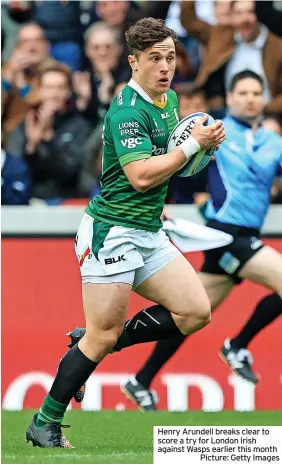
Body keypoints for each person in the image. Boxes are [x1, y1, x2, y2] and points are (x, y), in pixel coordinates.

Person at [25, 17, 225, 446]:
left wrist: (202, 152)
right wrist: (192, 146)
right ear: (133, 62)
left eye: (170, 57)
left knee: (194, 312)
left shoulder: (169, 99)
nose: (165, 67)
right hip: (112, 232)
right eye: (154, 59)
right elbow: (139, 176)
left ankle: (89, 344)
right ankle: (45, 421)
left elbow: (175, 160)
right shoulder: (128, 109)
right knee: (104, 333)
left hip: (149, 231)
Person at [67, 70, 282, 411]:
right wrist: (168, 202)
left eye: (257, 92)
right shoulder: (213, 128)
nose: (250, 98)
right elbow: (178, 162)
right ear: (229, 98)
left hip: (247, 235)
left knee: (190, 316)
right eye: (243, 92)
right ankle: (238, 345)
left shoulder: (274, 141)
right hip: (223, 234)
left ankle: (137, 376)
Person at [7, 64, 92, 202]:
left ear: (68, 92)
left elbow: (74, 171)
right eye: (49, 87)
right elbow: (14, 168)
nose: (54, 93)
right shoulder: (25, 125)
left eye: (60, 87)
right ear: (39, 90)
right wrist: (32, 146)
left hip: (66, 201)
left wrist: (49, 139)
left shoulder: (80, 126)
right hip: (29, 201)